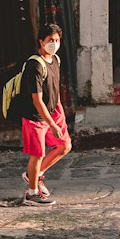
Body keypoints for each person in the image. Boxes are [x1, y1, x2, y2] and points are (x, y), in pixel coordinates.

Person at [20, 23, 71, 206]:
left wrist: (59, 114)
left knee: (64, 146)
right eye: (50, 40)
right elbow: (37, 100)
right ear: (41, 41)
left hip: (53, 111)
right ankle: (31, 194)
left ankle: (34, 175)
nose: (54, 44)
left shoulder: (56, 60)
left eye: (57, 40)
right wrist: (52, 124)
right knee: (37, 153)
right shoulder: (34, 65)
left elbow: (55, 89)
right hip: (35, 116)